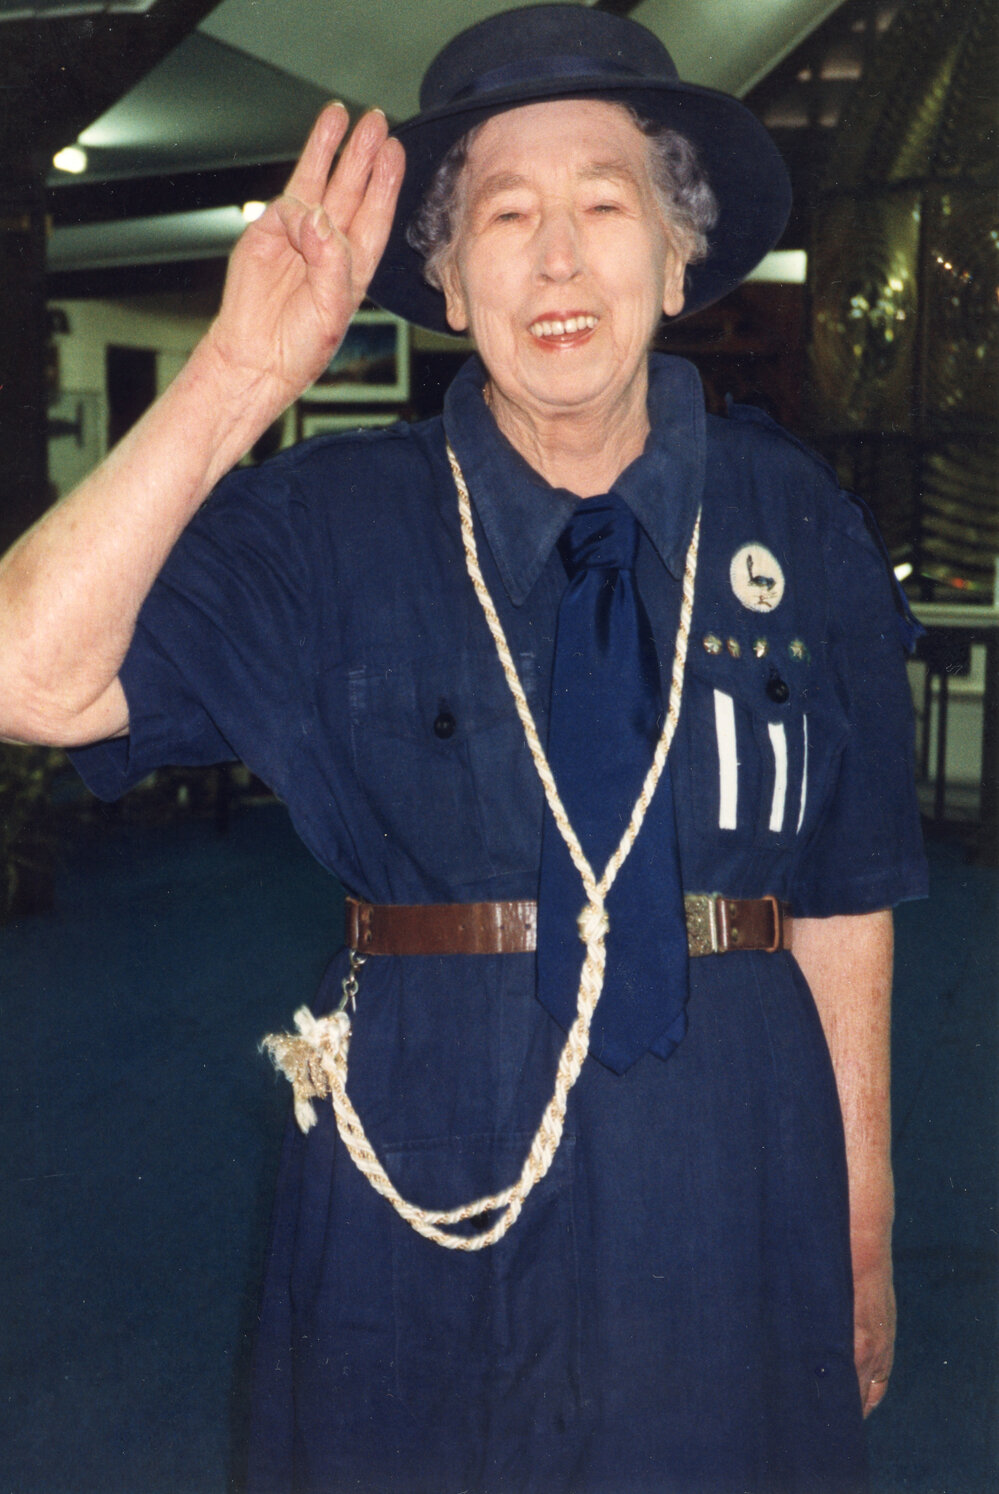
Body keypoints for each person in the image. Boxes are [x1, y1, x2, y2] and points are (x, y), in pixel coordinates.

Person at [0, 6, 927, 1491]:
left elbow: (846, 895)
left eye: (604, 206)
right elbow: (26, 677)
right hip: (425, 1164)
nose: (556, 259)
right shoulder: (332, 521)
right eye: (505, 215)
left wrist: (862, 1214)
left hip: (732, 1154)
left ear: (678, 254)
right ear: (444, 274)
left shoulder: (798, 520)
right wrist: (236, 375)